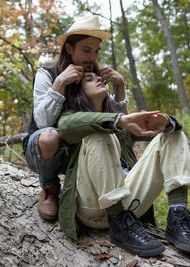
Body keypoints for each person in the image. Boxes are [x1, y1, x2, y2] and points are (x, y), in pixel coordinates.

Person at [56, 72, 190, 257]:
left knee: (173, 132)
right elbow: (65, 127)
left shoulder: (121, 122)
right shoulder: (70, 117)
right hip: (92, 208)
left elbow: (158, 128)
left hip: (129, 205)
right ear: (78, 92)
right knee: (100, 131)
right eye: (89, 79)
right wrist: (118, 120)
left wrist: (164, 121)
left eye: (99, 77)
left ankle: (177, 216)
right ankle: (118, 224)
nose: (98, 79)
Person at [23, 15, 127, 221]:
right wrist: (60, 83)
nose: (92, 58)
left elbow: (117, 123)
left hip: (82, 150)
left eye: (96, 51)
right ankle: (50, 188)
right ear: (69, 48)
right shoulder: (47, 74)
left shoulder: (94, 74)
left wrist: (120, 86)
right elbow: (43, 122)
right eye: (86, 50)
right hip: (43, 151)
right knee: (49, 136)